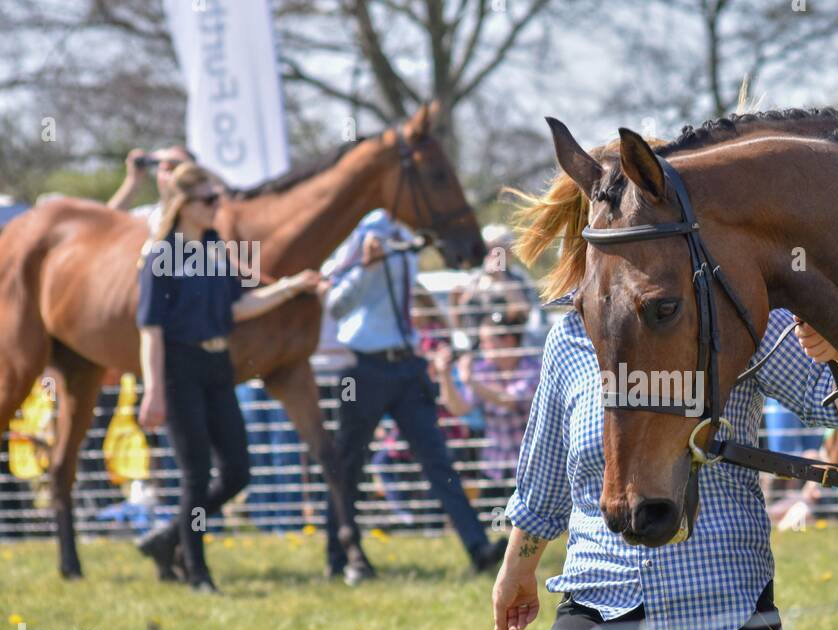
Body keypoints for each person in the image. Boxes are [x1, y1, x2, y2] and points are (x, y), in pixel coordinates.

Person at [492, 298, 838, 630]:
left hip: (724, 609)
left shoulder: (739, 314)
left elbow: (828, 400)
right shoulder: (570, 336)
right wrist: (517, 568)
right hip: (600, 602)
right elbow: (545, 479)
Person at [134, 163, 324, 591]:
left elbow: (238, 307)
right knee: (195, 476)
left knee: (238, 471)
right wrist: (153, 390)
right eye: (208, 200)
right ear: (183, 204)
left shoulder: (215, 248)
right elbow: (151, 329)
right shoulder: (160, 254)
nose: (216, 206)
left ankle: (169, 538)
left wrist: (291, 287)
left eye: (217, 198)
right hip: (180, 370)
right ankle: (196, 571)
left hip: (219, 368)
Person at [321, 209, 506, 583]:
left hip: (406, 365)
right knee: (349, 463)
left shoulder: (406, 234)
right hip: (364, 367)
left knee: (438, 458)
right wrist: (366, 267)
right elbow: (336, 305)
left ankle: (478, 548)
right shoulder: (356, 235)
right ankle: (339, 555)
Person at [433, 310, 540, 507]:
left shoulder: (533, 368)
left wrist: (470, 381)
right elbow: (460, 409)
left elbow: (510, 400)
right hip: (495, 466)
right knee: (493, 526)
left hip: (532, 469)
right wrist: (445, 376)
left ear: (508, 340)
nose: (482, 347)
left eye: (487, 341)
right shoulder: (484, 370)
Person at [108, 144, 197, 231]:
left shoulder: (205, 210)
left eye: (175, 167)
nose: (169, 176)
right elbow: (107, 222)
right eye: (164, 169)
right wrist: (133, 179)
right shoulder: (149, 216)